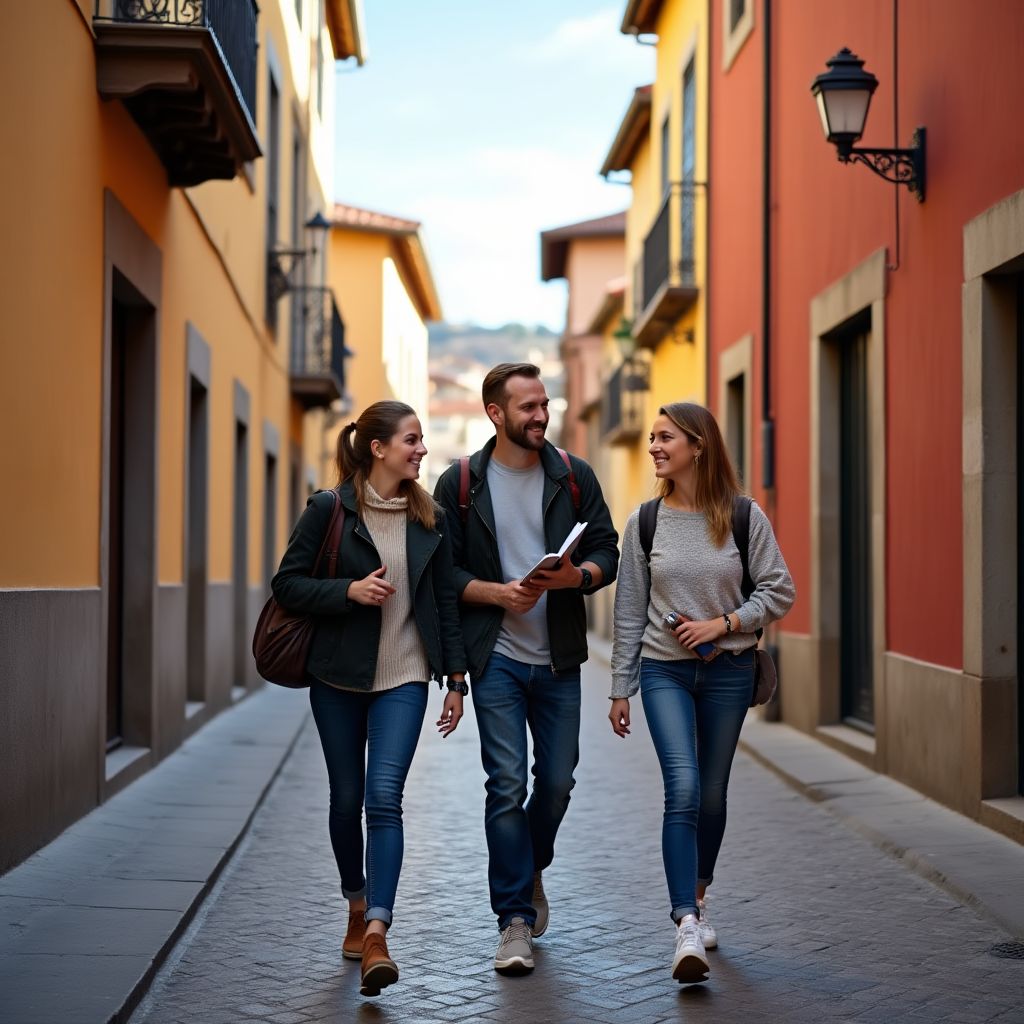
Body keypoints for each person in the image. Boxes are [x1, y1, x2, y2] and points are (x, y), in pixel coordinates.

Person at [271, 401, 468, 998]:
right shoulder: (329, 509)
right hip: (337, 677)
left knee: (384, 799)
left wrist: (455, 680)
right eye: (412, 440)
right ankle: (355, 902)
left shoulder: (429, 518)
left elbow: (444, 606)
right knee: (346, 799)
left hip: (404, 677)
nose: (422, 450)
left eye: (422, 441)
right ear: (378, 448)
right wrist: (348, 591)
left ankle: (378, 930)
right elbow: (287, 583)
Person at [433, 362, 619, 974]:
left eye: (544, 404)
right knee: (506, 784)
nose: (541, 415)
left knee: (558, 781)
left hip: (561, 659)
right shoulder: (460, 484)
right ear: (495, 413)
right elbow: (445, 575)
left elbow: (606, 550)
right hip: (498, 661)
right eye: (528, 407)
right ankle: (513, 918)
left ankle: (528, 864)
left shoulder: (572, 475)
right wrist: (498, 593)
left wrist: (579, 577)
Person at [608, 402, 794, 985]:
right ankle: (684, 921)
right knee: (682, 786)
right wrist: (621, 686)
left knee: (712, 794)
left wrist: (728, 623)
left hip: (729, 673)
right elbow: (630, 609)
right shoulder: (644, 522)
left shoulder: (743, 517)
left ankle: (700, 894)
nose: (655, 447)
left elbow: (779, 590)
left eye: (665, 438)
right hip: (666, 672)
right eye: (653, 439)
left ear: (698, 446)